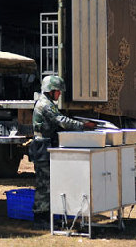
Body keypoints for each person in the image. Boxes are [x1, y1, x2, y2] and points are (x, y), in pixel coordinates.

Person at [29, 75, 95, 230]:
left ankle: (47, 217)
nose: (59, 95)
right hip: (42, 147)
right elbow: (61, 121)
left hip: (44, 146)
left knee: (49, 184)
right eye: (57, 91)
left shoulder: (46, 102)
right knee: (44, 185)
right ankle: (41, 218)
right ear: (50, 91)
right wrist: (83, 125)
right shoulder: (46, 105)